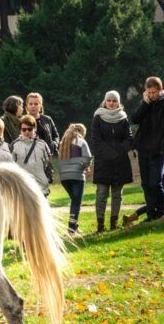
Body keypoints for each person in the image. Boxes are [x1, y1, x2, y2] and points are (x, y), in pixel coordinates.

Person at [92, 91, 134, 232]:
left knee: (117, 195)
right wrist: (111, 153)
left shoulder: (123, 118)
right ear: (105, 101)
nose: (111, 103)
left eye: (114, 101)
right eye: (109, 100)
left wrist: (119, 151)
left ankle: (114, 223)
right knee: (102, 194)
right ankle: (100, 225)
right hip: (103, 162)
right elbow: (96, 140)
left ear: (118, 102)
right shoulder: (98, 117)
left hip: (120, 162)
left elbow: (129, 138)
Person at [131, 77, 164, 221]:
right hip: (144, 149)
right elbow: (135, 119)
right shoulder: (146, 103)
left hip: (159, 150)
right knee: (146, 184)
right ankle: (152, 214)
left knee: (155, 183)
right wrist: (145, 104)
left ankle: (161, 211)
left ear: (161, 90)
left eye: (154, 92)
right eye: (149, 92)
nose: (151, 95)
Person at [57, 124, 92, 235]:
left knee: (74, 201)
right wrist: (85, 166)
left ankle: (75, 226)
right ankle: (71, 229)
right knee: (76, 202)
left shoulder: (62, 143)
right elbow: (88, 158)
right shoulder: (81, 142)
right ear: (81, 132)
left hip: (64, 177)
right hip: (77, 176)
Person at [10, 115, 52, 196]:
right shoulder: (14, 145)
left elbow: (48, 164)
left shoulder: (42, 144)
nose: (27, 132)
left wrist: (48, 179)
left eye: (30, 129)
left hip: (41, 186)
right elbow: (11, 165)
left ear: (35, 129)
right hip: (22, 186)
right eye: (24, 129)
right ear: (20, 130)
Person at [26, 92, 60, 156]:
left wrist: (54, 144)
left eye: (36, 104)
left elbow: (56, 136)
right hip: (29, 155)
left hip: (46, 155)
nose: (33, 106)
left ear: (40, 106)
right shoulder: (22, 121)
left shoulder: (47, 120)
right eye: (30, 104)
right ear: (27, 106)